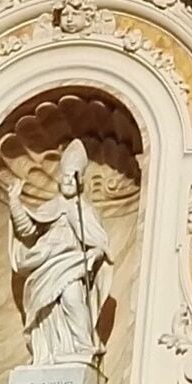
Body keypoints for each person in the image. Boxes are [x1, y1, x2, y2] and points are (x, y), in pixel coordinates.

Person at [8, 139, 116, 368]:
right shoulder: (50, 207)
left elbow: (100, 242)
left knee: (73, 298)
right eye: (64, 177)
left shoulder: (85, 210)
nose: (67, 181)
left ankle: (82, 346)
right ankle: (47, 353)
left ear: (80, 182)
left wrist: (95, 254)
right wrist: (14, 202)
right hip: (46, 264)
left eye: (72, 177)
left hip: (73, 263)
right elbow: (27, 230)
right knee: (46, 310)